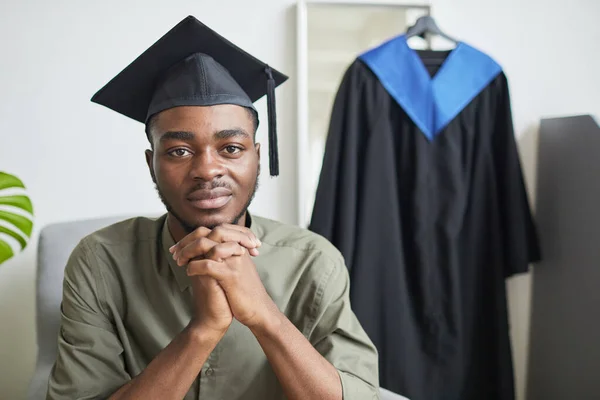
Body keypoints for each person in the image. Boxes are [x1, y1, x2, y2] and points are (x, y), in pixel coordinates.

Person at [45, 15, 379, 400]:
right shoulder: (100, 262)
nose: (206, 170)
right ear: (151, 162)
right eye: (180, 151)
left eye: (231, 148)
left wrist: (263, 315)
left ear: (256, 157)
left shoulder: (313, 262)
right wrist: (203, 329)